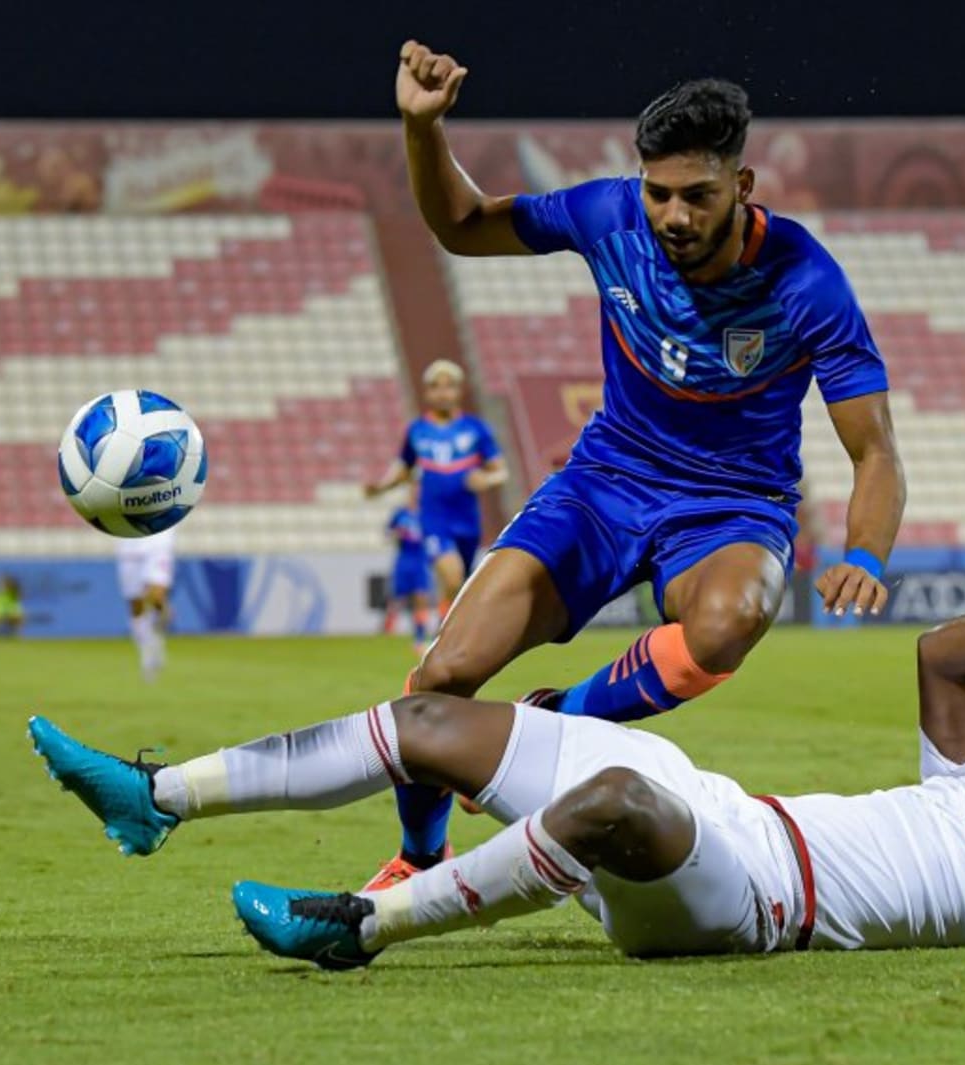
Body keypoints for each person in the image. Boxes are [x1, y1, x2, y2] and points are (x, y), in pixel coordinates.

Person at [29, 514, 965, 968]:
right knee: (437, 720)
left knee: (603, 798)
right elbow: (938, 653)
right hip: (726, 805)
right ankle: (159, 795)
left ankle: (362, 924)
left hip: (747, 903)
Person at [367, 41, 906, 887]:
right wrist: (421, 130)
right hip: (604, 483)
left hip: (734, 505)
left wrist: (866, 554)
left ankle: (559, 719)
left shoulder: (805, 280)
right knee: (441, 675)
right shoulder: (607, 216)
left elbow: (874, 449)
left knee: (728, 624)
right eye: (660, 194)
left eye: (698, 196)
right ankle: (417, 857)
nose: (674, 216)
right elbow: (463, 228)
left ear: (743, 187)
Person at [364, 359, 508, 617]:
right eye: (436, 386)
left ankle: (445, 631)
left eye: (449, 386)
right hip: (434, 519)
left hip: (467, 521)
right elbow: (403, 470)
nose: (443, 392)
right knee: (452, 578)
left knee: (459, 585)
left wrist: (485, 479)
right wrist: (382, 487)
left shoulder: (476, 429)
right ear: (427, 392)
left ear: (459, 390)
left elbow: (500, 471)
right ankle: (442, 639)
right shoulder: (417, 430)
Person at [116, 529, 176, 681]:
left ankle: (160, 617)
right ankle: (148, 650)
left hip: (158, 548)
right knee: (136, 606)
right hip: (128, 551)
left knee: (156, 595)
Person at [382, 501, 435, 648]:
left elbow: (433, 535)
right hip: (404, 559)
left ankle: (420, 636)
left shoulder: (427, 513)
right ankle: (387, 630)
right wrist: (397, 533)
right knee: (397, 598)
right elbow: (387, 533)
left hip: (421, 561)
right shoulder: (401, 513)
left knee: (421, 596)